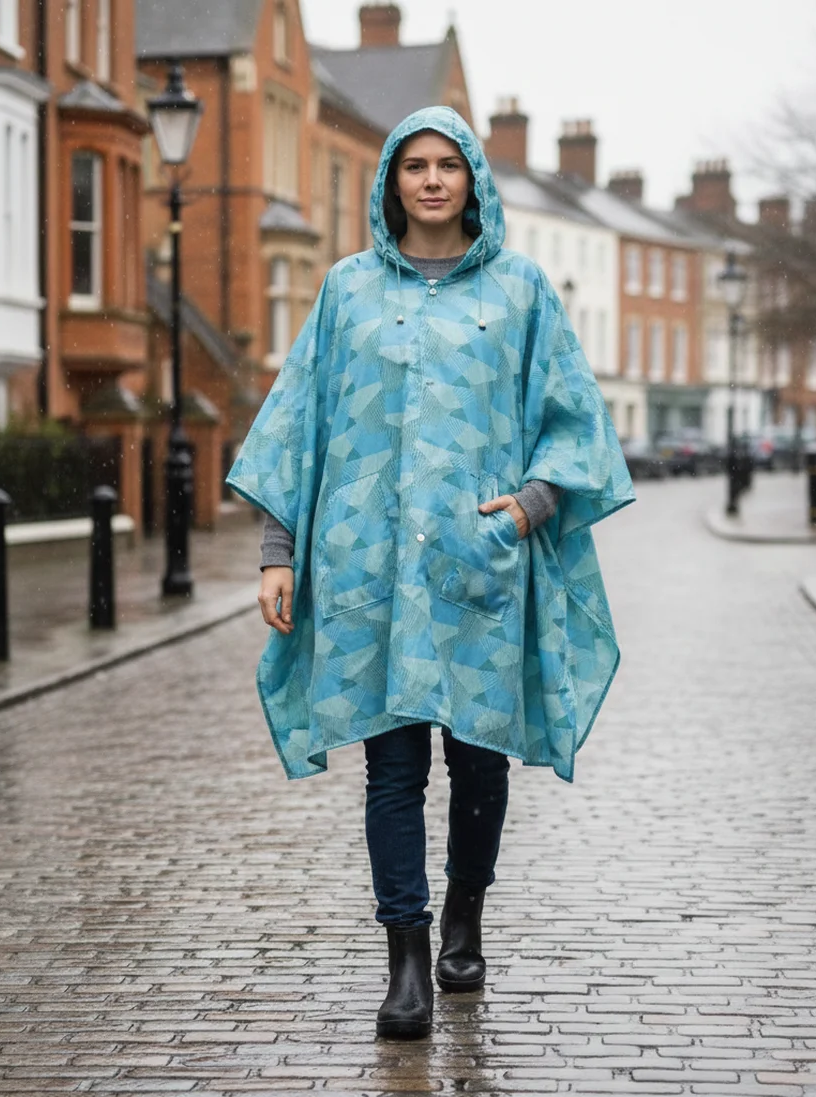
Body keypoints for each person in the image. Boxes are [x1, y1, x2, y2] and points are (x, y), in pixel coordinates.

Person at [226, 107, 634, 1040]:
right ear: (391, 182)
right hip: (368, 563)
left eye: (449, 164)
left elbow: (574, 418)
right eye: (415, 165)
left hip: (478, 564)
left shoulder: (521, 289)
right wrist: (279, 552)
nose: (433, 180)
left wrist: (529, 507)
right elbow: (297, 424)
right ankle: (405, 960)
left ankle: (464, 919)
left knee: (479, 759)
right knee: (393, 765)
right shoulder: (347, 291)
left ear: (474, 177)